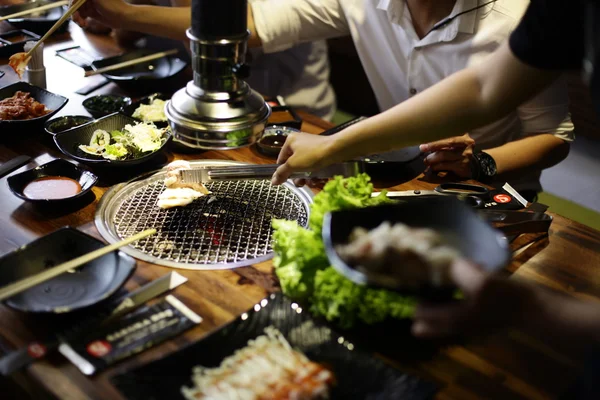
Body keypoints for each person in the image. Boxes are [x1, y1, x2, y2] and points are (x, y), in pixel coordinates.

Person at [76, 0, 573, 200]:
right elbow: (248, 25)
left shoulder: (516, 18)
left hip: (491, 195)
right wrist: (118, 11)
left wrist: (481, 161)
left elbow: (553, 139)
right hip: (397, 179)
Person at [74, 0, 337, 121]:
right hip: (190, 100)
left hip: (287, 113)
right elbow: (125, 37)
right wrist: (108, 13)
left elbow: (226, 31)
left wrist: (124, 14)